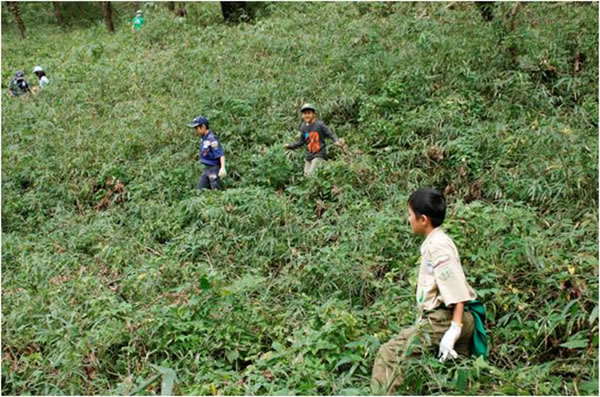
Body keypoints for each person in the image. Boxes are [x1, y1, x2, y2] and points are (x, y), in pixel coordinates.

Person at [371, 187, 486, 395]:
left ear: (423, 219)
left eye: (409, 215)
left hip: (445, 318)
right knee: (453, 378)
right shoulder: (436, 242)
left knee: (389, 355)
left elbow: (457, 290)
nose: (408, 219)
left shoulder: (439, 247)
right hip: (446, 319)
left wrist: (454, 329)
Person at [284, 103, 345, 177]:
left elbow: (330, 134)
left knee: (311, 175)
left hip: (319, 154)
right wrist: (290, 145)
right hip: (309, 155)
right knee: (306, 176)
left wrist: (336, 141)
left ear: (314, 114)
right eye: (304, 114)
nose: (306, 115)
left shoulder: (319, 125)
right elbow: (301, 142)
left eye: (309, 113)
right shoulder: (303, 127)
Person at [188, 116, 227, 190]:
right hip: (207, 168)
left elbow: (220, 154)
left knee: (215, 190)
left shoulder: (211, 138)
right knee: (200, 190)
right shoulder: (204, 138)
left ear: (203, 126)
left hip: (214, 168)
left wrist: (222, 168)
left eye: (197, 128)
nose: (196, 131)